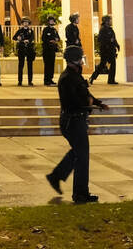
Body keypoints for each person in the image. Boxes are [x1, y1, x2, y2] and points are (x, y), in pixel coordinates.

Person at [44, 45, 107, 203]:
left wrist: (97, 103)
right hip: (71, 121)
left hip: (77, 120)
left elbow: (86, 94)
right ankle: (80, 194)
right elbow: (72, 101)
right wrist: (88, 105)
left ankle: (56, 176)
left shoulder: (76, 76)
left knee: (78, 153)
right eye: (80, 57)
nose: (82, 60)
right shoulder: (67, 78)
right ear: (73, 60)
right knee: (82, 156)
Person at [88, 15, 120, 85]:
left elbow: (114, 39)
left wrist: (117, 45)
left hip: (111, 50)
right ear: (106, 21)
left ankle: (111, 80)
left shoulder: (110, 29)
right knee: (102, 65)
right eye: (110, 20)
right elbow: (100, 40)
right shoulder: (103, 29)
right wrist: (109, 41)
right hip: (105, 50)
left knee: (113, 64)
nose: (111, 21)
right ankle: (92, 77)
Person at [13, 17, 37, 85]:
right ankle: (20, 81)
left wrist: (28, 41)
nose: (26, 24)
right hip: (21, 49)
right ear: (22, 23)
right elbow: (14, 37)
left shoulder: (31, 31)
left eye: (27, 22)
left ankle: (30, 81)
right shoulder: (20, 31)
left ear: (28, 23)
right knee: (21, 65)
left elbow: (32, 38)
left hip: (29, 49)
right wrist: (18, 38)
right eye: (24, 22)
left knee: (30, 66)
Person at [41, 16, 62, 86]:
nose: (52, 22)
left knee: (52, 65)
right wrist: (50, 41)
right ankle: (46, 80)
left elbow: (58, 38)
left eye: (53, 21)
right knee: (47, 65)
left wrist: (56, 40)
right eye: (50, 21)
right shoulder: (45, 29)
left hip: (53, 50)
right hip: (46, 50)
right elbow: (43, 39)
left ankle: (50, 79)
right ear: (48, 21)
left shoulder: (55, 30)